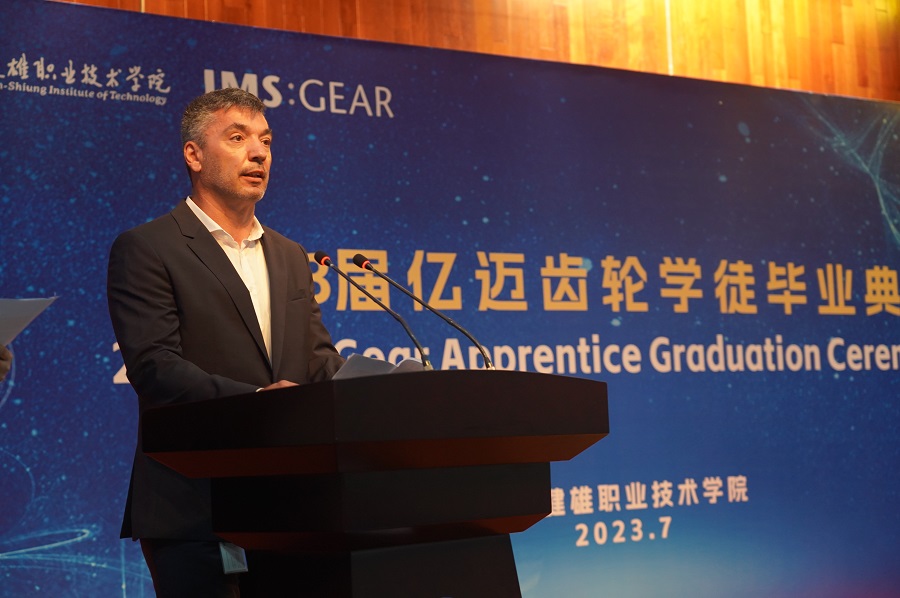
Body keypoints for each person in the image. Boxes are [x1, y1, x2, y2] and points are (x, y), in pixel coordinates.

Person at [107, 87, 345, 596]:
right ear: (194, 155)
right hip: (196, 504)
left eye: (266, 141)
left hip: (294, 506)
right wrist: (257, 402)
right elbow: (154, 366)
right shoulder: (148, 247)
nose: (258, 153)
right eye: (237, 138)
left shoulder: (289, 255)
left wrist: (380, 390)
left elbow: (318, 360)